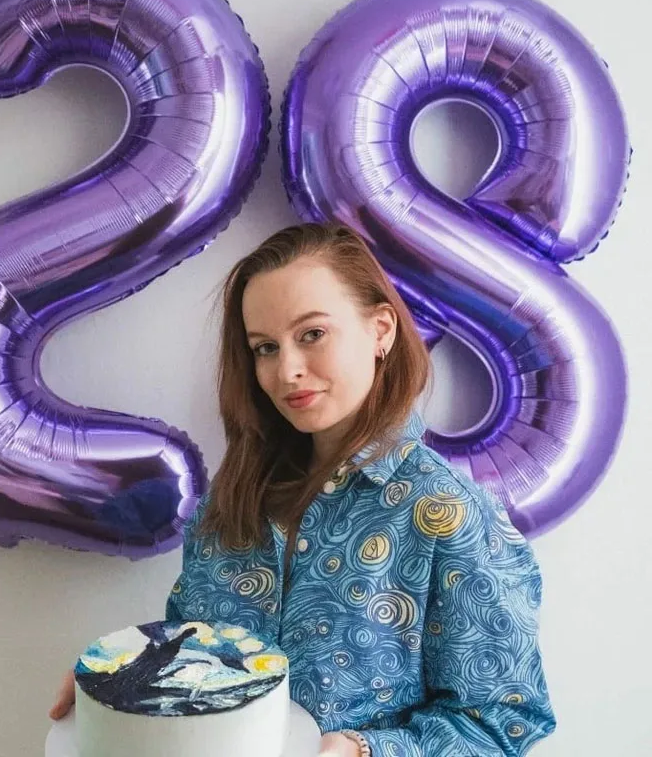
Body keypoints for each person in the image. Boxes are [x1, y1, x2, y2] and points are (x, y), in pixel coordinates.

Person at [50, 224, 557, 756]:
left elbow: (504, 724)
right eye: (265, 347)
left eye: (312, 334)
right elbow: (195, 652)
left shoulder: (447, 512)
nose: (286, 370)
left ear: (380, 330)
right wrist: (117, 691)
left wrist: (365, 752)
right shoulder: (237, 492)